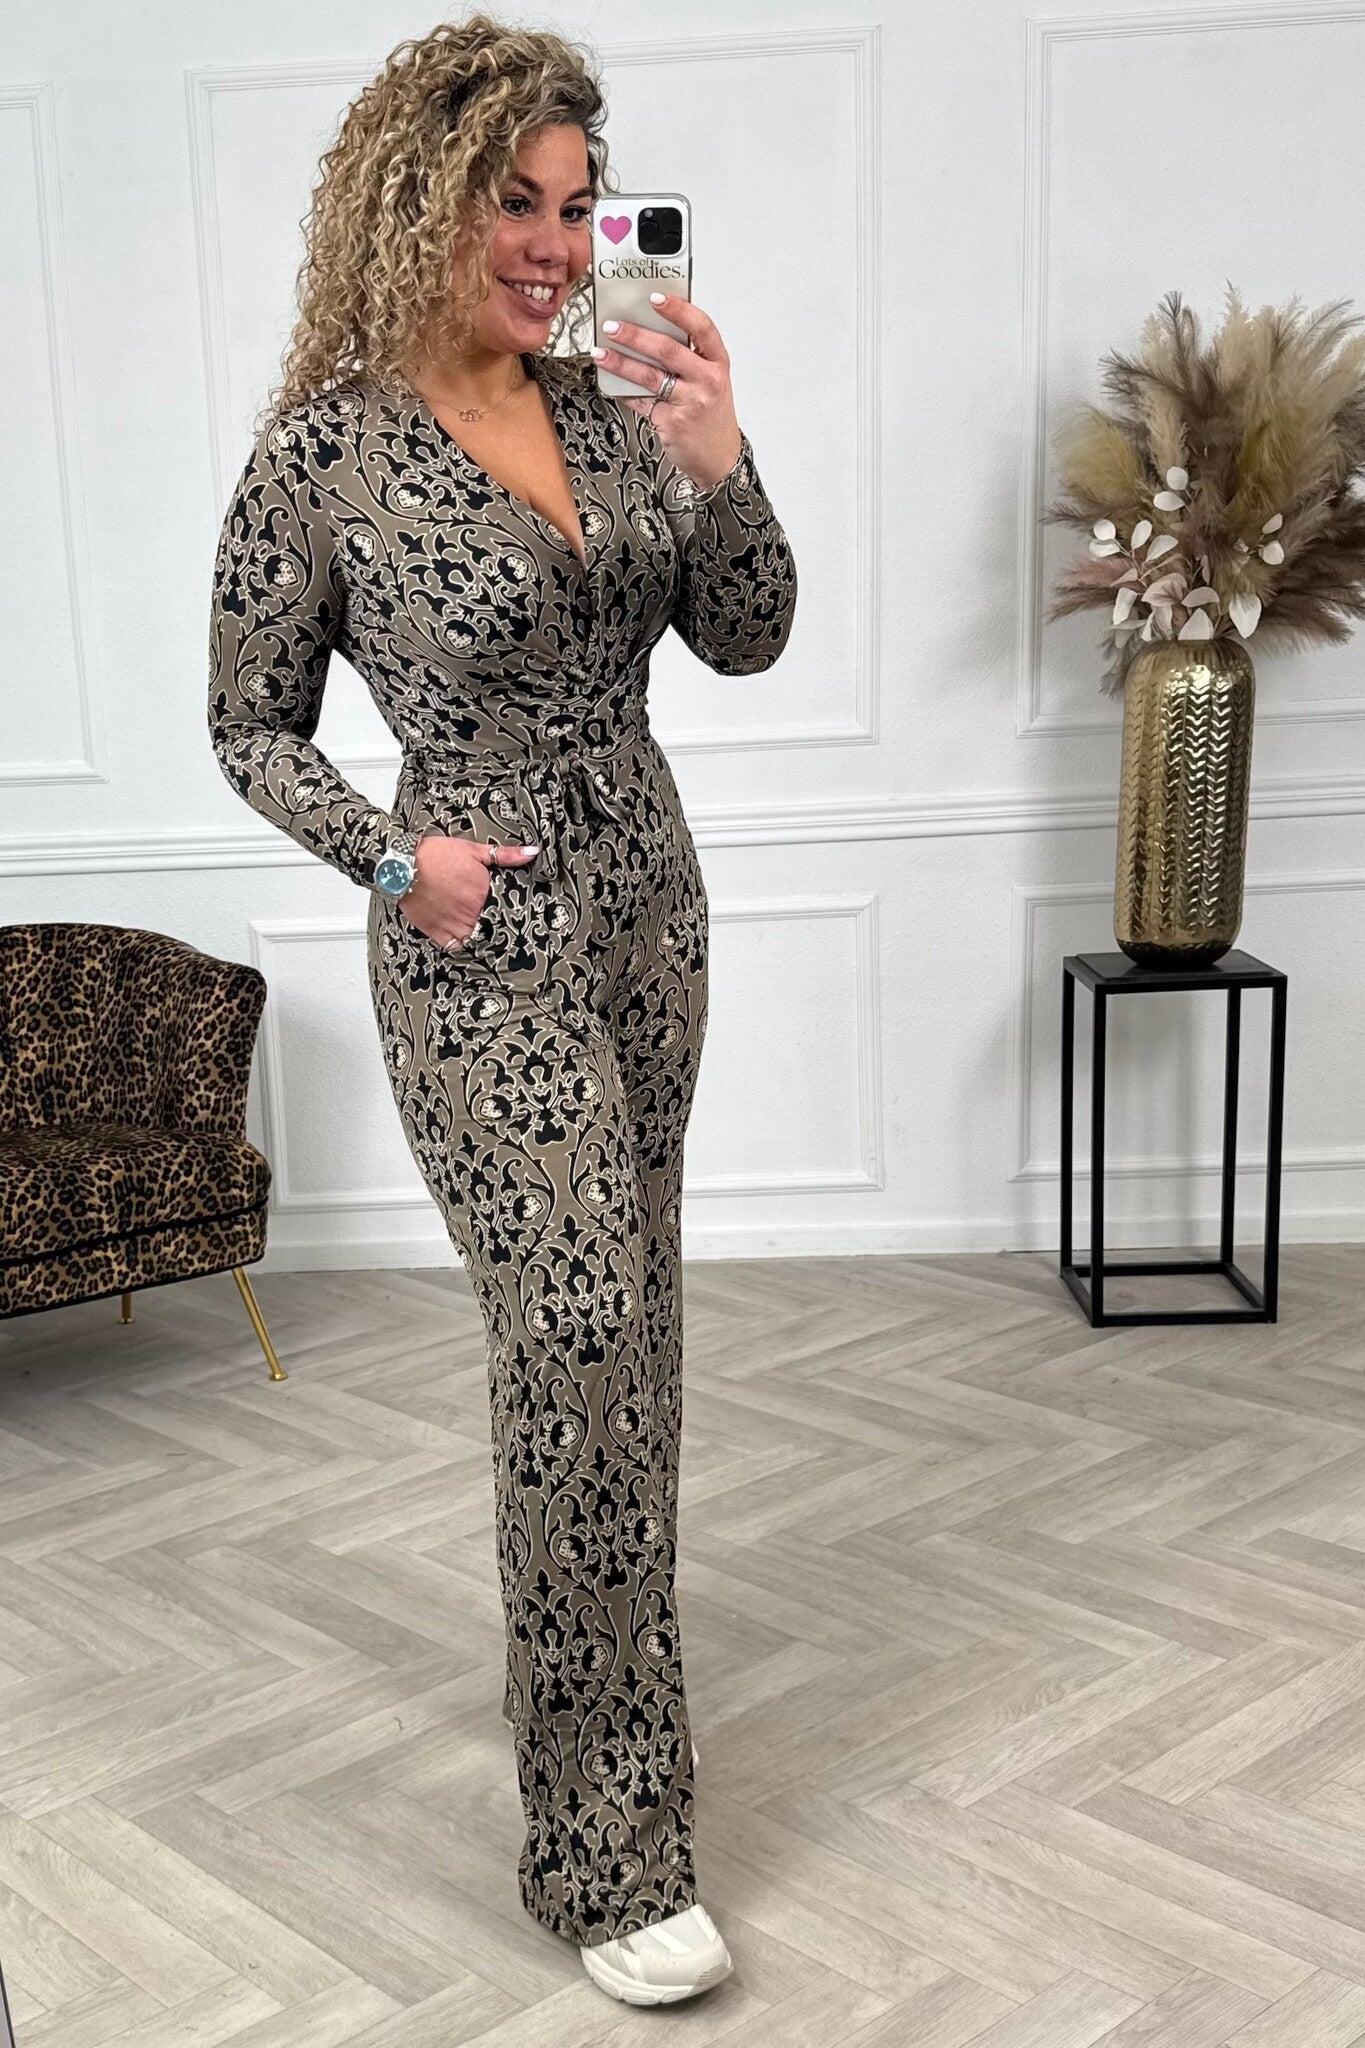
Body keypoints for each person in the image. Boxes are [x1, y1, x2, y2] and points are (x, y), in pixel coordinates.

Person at [206, 11, 796, 2009]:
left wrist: (721, 458)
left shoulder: (619, 404)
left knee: (635, 1348)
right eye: (511, 204)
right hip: (475, 941)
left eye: (573, 205)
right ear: (414, 204)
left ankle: (618, 1747)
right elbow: (246, 726)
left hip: (651, 916)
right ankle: (602, 1852)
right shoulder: (322, 455)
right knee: (573, 1337)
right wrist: (396, 862)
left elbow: (746, 635)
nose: (552, 244)